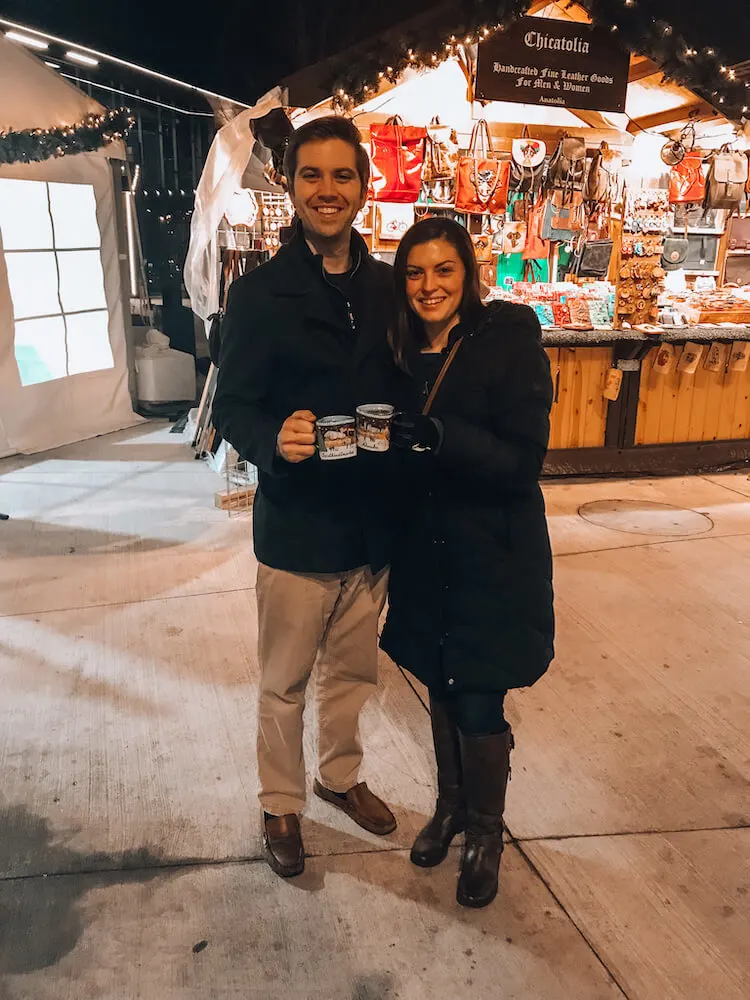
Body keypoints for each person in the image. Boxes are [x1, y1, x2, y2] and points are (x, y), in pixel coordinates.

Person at [212, 116, 399, 879]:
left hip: (370, 530)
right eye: (312, 176)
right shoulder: (259, 295)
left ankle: (340, 776)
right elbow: (232, 407)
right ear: (290, 188)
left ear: (364, 186)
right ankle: (282, 801)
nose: (328, 191)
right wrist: (270, 441)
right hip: (295, 525)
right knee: (283, 681)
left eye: (342, 176)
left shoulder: (390, 286)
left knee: (354, 674)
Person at [380, 218, 554, 909]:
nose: (429, 286)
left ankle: (486, 831)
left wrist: (440, 437)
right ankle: (451, 807)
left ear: (468, 274)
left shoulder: (507, 339)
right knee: (442, 683)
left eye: (443, 270)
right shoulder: (398, 353)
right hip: (425, 549)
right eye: (415, 273)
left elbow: (523, 461)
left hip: (492, 552)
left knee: (480, 695)